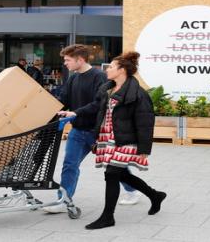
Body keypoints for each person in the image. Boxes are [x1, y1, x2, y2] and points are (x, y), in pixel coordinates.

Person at [42, 44, 137, 213]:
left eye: (68, 60)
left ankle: (131, 191)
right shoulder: (73, 78)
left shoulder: (100, 77)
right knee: (70, 164)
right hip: (78, 131)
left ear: (80, 59)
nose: (65, 63)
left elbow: (99, 103)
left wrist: (75, 113)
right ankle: (64, 200)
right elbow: (63, 100)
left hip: (99, 132)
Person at [85, 51, 166, 230]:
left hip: (126, 138)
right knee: (121, 174)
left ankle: (107, 217)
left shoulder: (137, 93)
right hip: (108, 137)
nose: (106, 70)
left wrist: (144, 147)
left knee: (112, 174)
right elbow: (100, 112)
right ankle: (155, 195)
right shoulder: (108, 88)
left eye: (111, 67)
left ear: (122, 70)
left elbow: (145, 122)